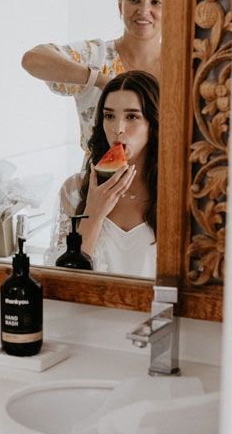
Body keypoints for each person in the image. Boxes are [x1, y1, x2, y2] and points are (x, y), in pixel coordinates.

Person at [21, 0, 162, 153]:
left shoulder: (183, 65)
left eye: (156, 2)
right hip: (97, 181)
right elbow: (32, 59)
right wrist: (99, 80)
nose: (144, 11)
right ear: (120, 5)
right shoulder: (96, 56)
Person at [45, 71, 159, 279]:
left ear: (153, 124)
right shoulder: (74, 190)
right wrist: (94, 214)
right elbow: (62, 280)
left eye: (132, 116)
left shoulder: (177, 192)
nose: (118, 129)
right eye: (109, 116)